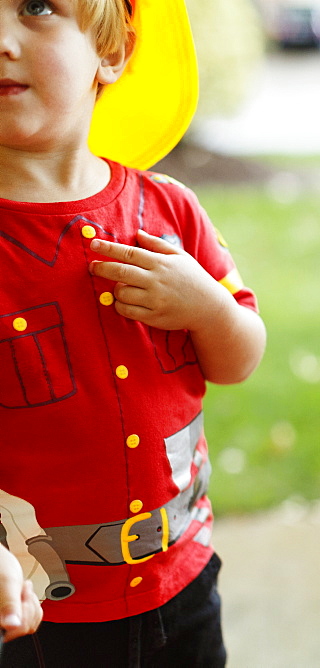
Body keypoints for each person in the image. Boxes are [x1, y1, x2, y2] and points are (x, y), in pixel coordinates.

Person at [0, 0, 265, 664]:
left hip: (184, 585)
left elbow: (240, 357)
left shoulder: (170, 210)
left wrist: (210, 310)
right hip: (34, 610)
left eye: (36, 7)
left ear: (111, 53)